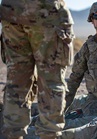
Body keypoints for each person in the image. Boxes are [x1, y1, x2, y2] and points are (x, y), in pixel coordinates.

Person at [0, 0, 74, 138]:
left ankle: (13, 134)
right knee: (51, 83)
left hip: (12, 11)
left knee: (16, 82)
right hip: (45, 11)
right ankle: (49, 135)